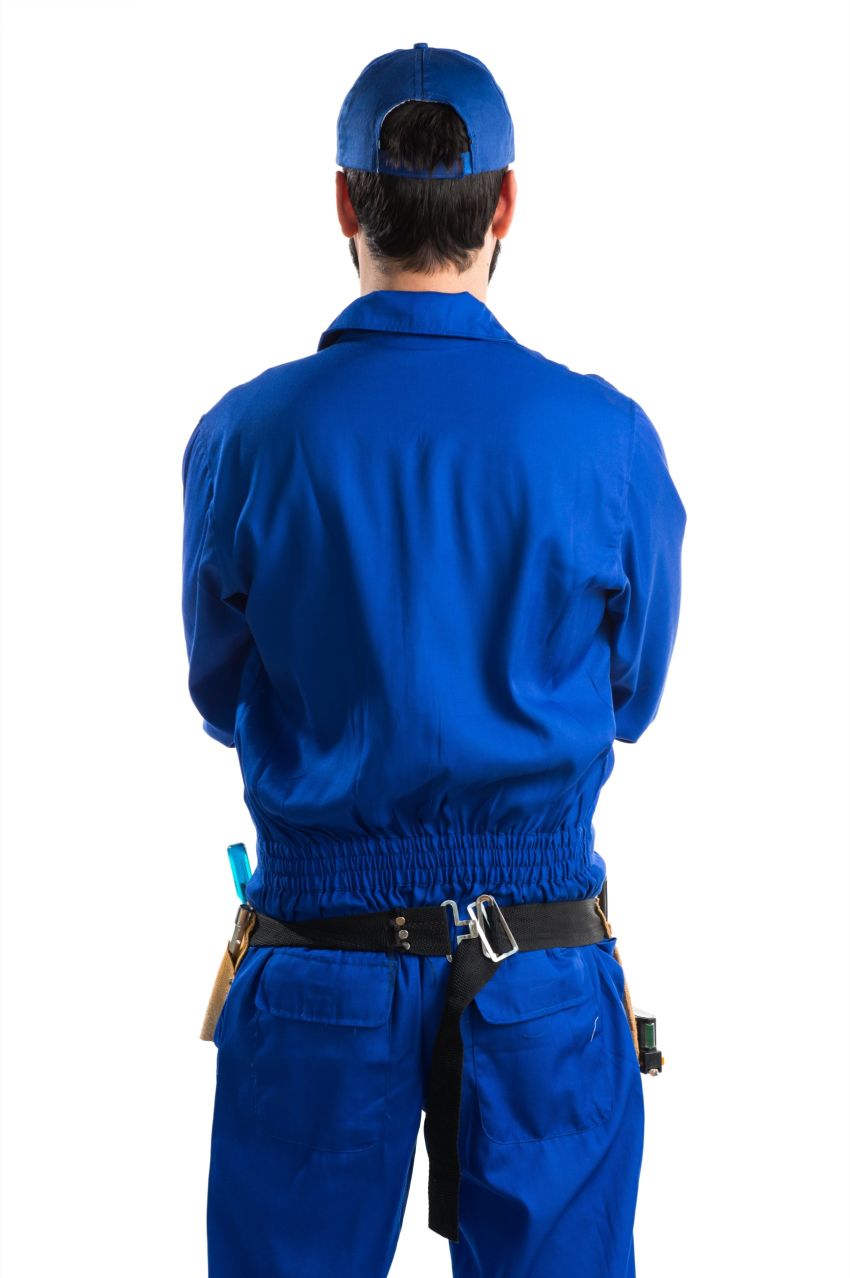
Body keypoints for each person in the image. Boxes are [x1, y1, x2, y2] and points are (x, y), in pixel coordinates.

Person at [181, 42, 687, 1278]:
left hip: (317, 960)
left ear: (342, 203)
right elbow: (631, 695)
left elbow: (219, 689)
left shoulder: (245, 437)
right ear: (504, 204)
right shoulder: (604, 437)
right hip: (537, 967)